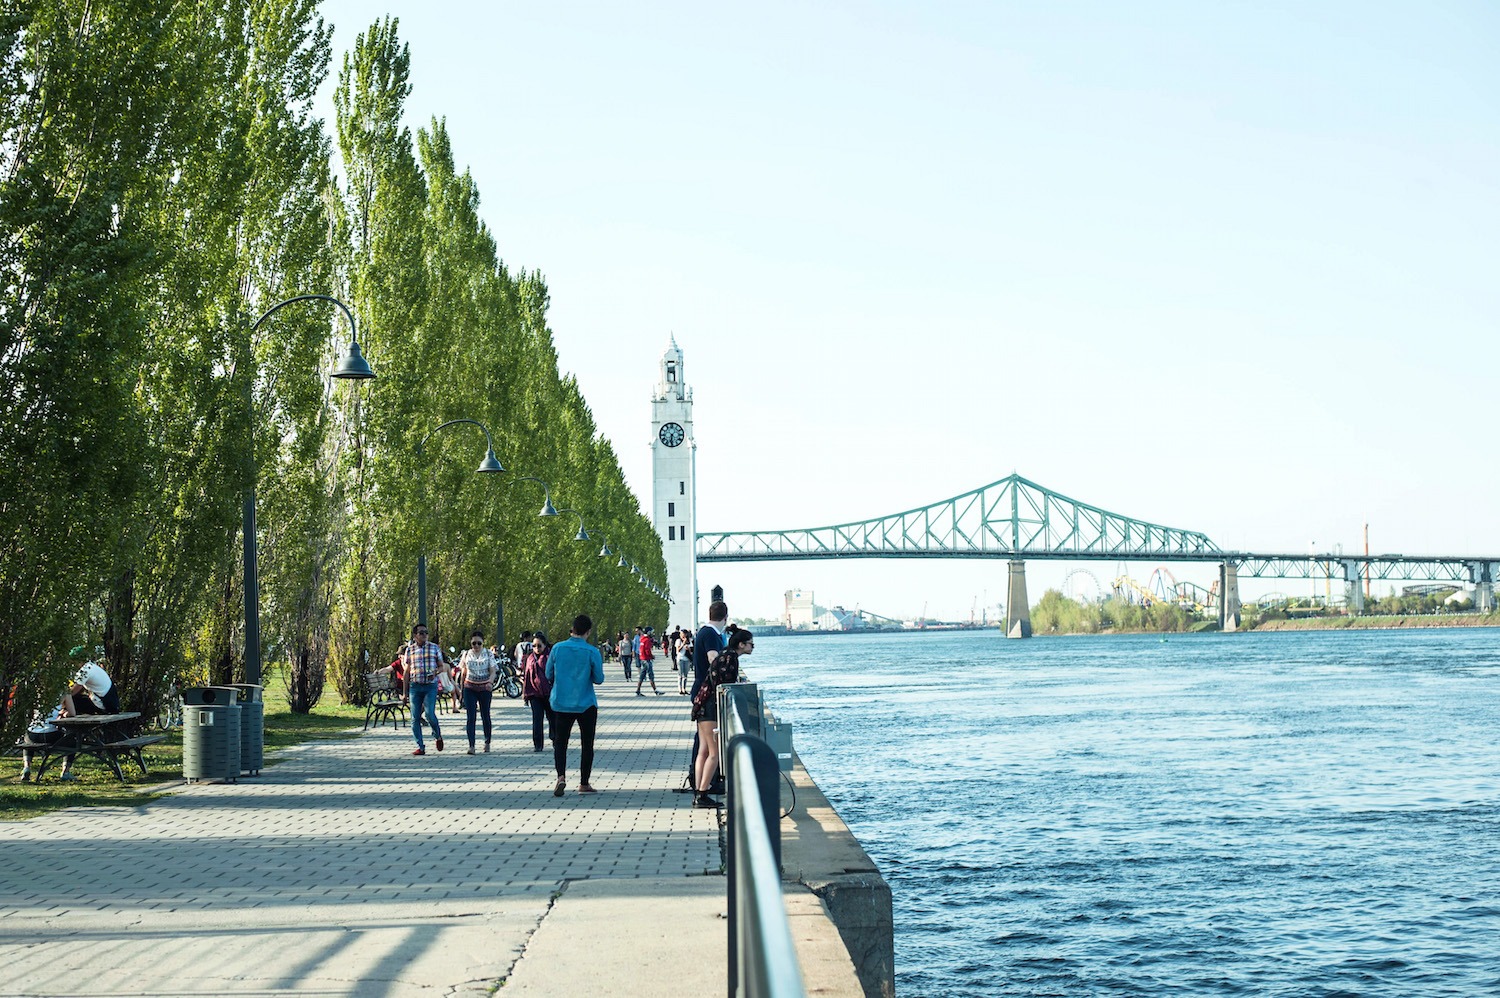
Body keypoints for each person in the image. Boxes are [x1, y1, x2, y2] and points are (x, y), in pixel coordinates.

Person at [19, 655, 121, 782]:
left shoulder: (39, 692)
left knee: (28, 738)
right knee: (72, 740)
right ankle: (65, 772)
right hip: (50, 734)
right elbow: (72, 713)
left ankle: (26, 767)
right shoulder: (64, 692)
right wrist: (64, 713)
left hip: (33, 734)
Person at [691, 628, 753, 808]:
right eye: (751, 644)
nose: (752, 647)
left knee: (703, 751)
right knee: (714, 753)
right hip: (711, 707)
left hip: (702, 705)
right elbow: (725, 685)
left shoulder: (724, 654)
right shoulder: (731, 658)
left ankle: (698, 791)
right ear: (741, 644)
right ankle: (702, 794)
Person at [545, 614, 604, 796]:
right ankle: (584, 783)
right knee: (587, 743)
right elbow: (599, 679)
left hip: (561, 703)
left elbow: (548, 674)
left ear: (572, 629)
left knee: (560, 742)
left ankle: (561, 776)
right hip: (586, 703)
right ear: (588, 631)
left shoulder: (557, 648)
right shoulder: (592, 651)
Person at [402, 623, 448, 755]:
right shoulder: (410, 650)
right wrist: (405, 693)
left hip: (430, 686)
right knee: (415, 717)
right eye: (421, 633)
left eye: (426, 633)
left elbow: (441, 666)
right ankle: (420, 746)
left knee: (429, 714)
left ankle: (437, 735)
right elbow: (407, 671)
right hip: (415, 686)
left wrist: (435, 672)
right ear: (415, 635)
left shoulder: (434, 648)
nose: (424, 635)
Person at [458, 629, 498, 754]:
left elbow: (493, 670)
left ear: (483, 643)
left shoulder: (488, 654)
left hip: (485, 687)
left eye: (479, 643)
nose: (476, 646)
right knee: (471, 717)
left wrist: (490, 682)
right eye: (474, 643)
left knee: (485, 715)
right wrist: (461, 690)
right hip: (470, 687)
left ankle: (487, 741)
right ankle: (471, 745)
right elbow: (463, 672)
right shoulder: (466, 654)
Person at [522, 633, 553, 753]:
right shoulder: (530, 658)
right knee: (537, 719)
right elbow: (527, 676)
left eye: (539, 646)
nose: (536, 648)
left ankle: (555, 738)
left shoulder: (550, 656)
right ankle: (538, 744)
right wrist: (525, 693)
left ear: (545, 645)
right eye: (534, 646)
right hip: (534, 693)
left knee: (552, 718)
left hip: (549, 693)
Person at [635, 626, 662, 696]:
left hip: (642, 659)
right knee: (651, 675)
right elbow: (647, 651)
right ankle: (655, 690)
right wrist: (652, 656)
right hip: (647, 660)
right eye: (651, 632)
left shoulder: (642, 639)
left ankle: (638, 690)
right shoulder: (647, 640)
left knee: (642, 675)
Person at [677, 629, 693, 695]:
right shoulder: (678, 641)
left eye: (683, 634)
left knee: (685, 675)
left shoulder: (690, 641)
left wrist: (688, 649)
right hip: (680, 658)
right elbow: (678, 650)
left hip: (687, 659)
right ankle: (680, 689)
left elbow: (691, 651)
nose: (682, 635)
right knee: (680, 674)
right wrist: (683, 644)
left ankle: (684, 689)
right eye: (681, 634)